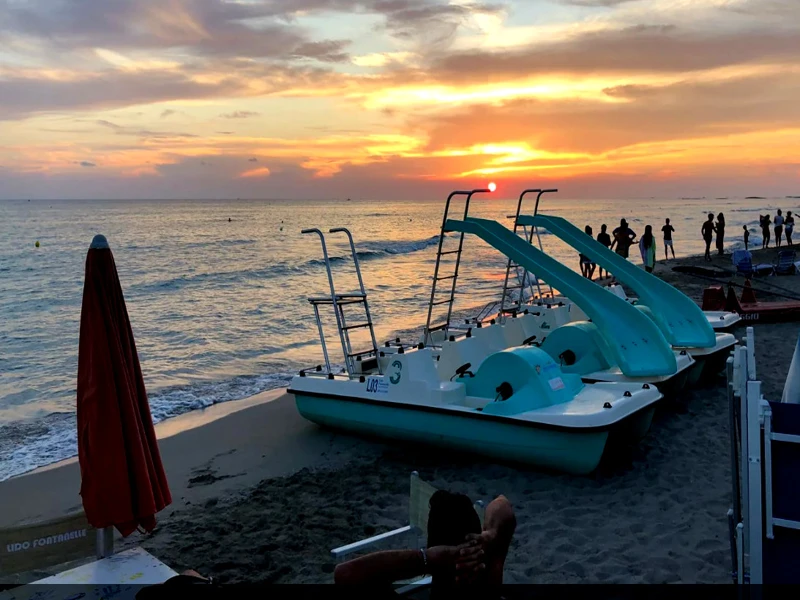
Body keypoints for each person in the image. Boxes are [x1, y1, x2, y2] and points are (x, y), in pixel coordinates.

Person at [334, 491, 516, 590]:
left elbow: (345, 574)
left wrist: (425, 559)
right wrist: (491, 534)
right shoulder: (491, 575)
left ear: (431, 544)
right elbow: (502, 503)